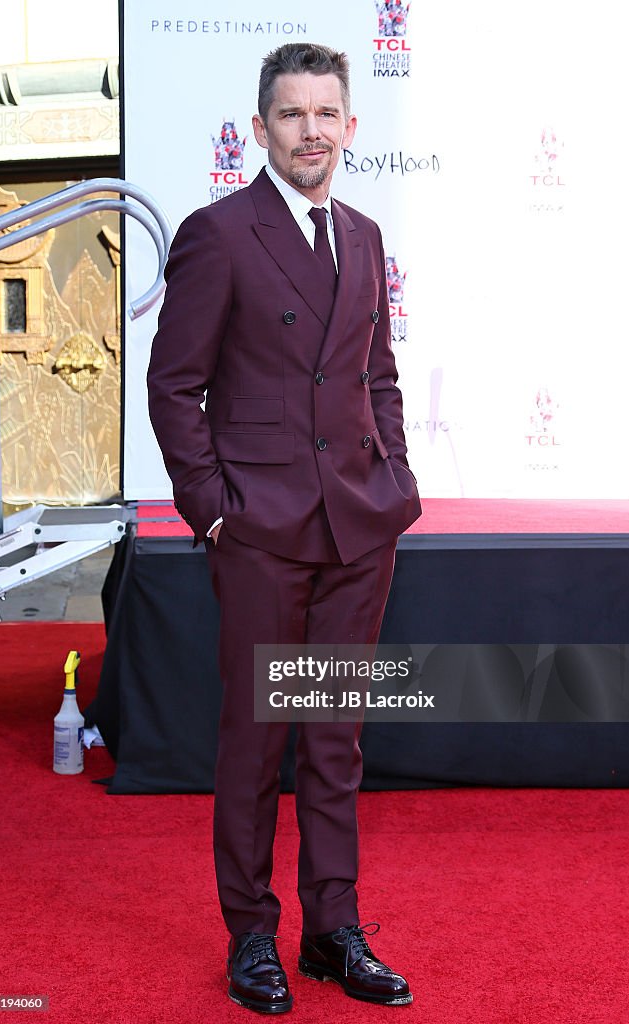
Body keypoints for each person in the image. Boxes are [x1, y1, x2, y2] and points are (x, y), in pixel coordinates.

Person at [147, 42, 421, 1014]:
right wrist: (215, 512)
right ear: (262, 127)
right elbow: (174, 384)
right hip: (260, 529)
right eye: (292, 113)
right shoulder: (218, 234)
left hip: (358, 528)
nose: (311, 130)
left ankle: (332, 933)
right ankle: (252, 936)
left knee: (336, 739)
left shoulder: (367, 232)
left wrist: (396, 475)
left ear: (350, 125)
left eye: (326, 113)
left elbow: (376, 373)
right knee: (257, 742)